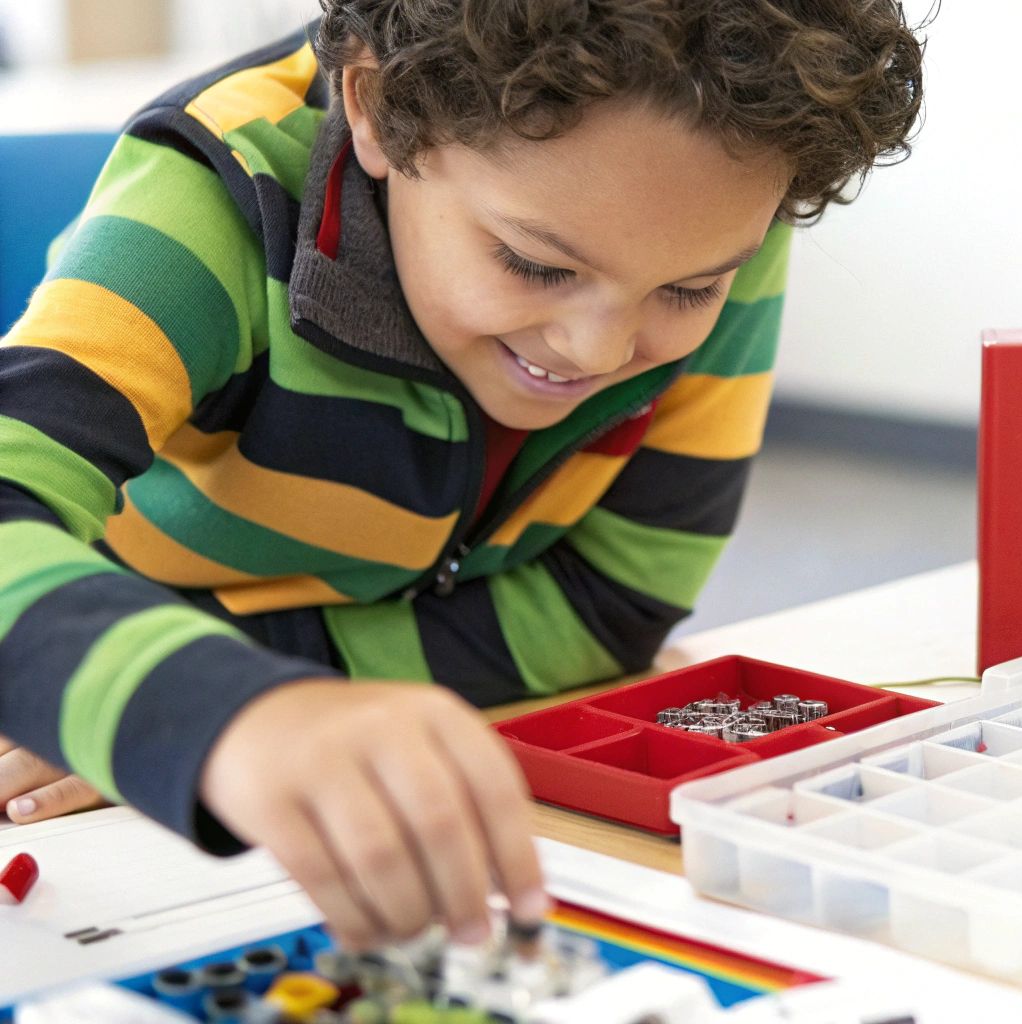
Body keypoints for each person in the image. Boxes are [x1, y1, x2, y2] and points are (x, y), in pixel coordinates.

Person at [0, 0, 923, 949]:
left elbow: (615, 603)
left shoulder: (713, 206)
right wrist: (206, 706)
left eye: (690, 291)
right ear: (374, 108)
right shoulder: (214, 202)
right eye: (532, 262)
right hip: (120, 719)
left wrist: (288, 683)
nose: (597, 347)